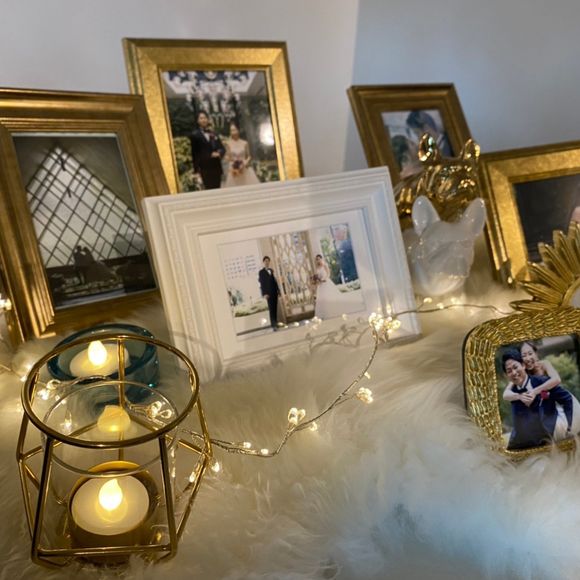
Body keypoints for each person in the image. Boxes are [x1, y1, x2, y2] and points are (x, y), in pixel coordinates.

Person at [501, 350, 574, 450]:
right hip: (520, 442)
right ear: (506, 375)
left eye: (515, 367)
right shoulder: (512, 393)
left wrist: (569, 426)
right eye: (509, 371)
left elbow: (567, 399)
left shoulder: (542, 382)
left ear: (523, 365)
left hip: (546, 439)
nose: (514, 373)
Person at [189, 111, 225, 190]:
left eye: (205, 118)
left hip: (216, 167)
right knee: (209, 191)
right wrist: (196, 171)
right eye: (201, 118)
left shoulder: (214, 133)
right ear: (198, 121)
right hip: (205, 169)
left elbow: (222, 148)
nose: (203, 120)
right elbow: (195, 154)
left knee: (218, 190)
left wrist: (219, 153)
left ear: (208, 119)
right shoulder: (195, 135)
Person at [224, 123, 260, 188]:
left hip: (244, 166)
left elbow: (249, 156)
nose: (233, 132)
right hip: (234, 168)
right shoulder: (228, 143)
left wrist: (245, 162)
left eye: (235, 130)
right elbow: (227, 156)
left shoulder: (244, 143)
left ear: (238, 130)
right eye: (231, 130)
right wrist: (231, 160)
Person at [258, 256, 280, 331]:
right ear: (263, 262)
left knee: (275, 308)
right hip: (268, 294)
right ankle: (273, 325)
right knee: (271, 309)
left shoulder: (271, 270)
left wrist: (278, 290)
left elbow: (274, 281)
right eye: (265, 261)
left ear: (269, 262)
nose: (267, 262)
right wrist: (264, 293)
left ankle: (276, 322)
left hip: (274, 292)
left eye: (268, 261)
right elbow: (262, 283)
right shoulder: (261, 272)